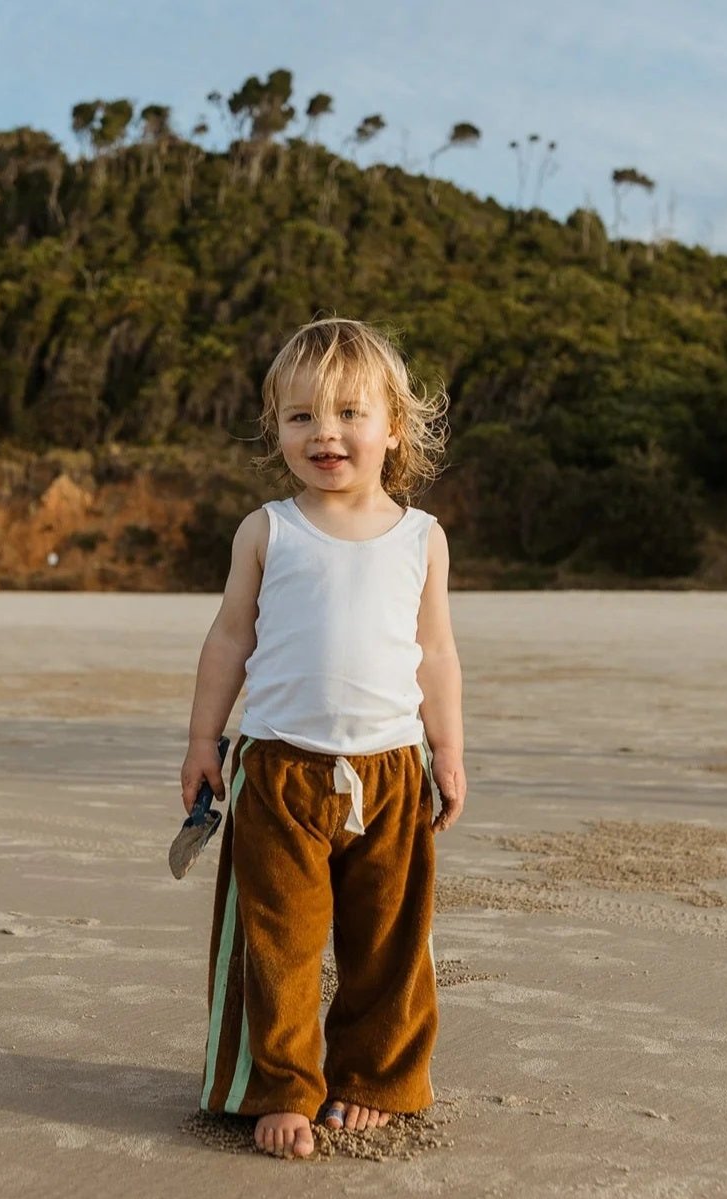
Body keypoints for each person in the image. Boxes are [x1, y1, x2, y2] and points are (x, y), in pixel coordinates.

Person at [180, 316, 467, 1160]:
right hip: (278, 769)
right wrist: (203, 739)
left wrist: (448, 751)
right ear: (276, 429)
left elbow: (437, 651)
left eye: (349, 413)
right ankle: (279, 1084)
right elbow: (229, 638)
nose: (325, 433)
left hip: (392, 770)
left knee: (390, 940)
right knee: (277, 939)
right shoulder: (267, 529)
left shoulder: (421, 537)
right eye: (301, 416)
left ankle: (374, 1075)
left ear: (394, 428)